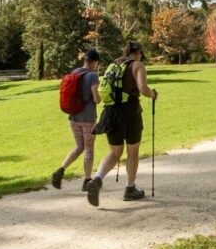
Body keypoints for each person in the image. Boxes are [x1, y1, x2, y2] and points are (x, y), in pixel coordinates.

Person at [86, 41, 157, 207]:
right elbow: (143, 89)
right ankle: (130, 189)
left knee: (115, 152)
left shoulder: (114, 64)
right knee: (133, 151)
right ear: (138, 52)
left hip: (111, 112)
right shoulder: (137, 66)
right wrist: (153, 94)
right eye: (141, 53)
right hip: (130, 112)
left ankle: (97, 179)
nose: (141, 57)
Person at [51, 49, 102, 191]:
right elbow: (96, 99)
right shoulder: (92, 76)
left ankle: (60, 170)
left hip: (73, 117)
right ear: (93, 62)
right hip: (88, 119)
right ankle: (87, 181)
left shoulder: (75, 73)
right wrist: (100, 97)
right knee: (89, 150)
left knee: (79, 147)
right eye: (97, 62)